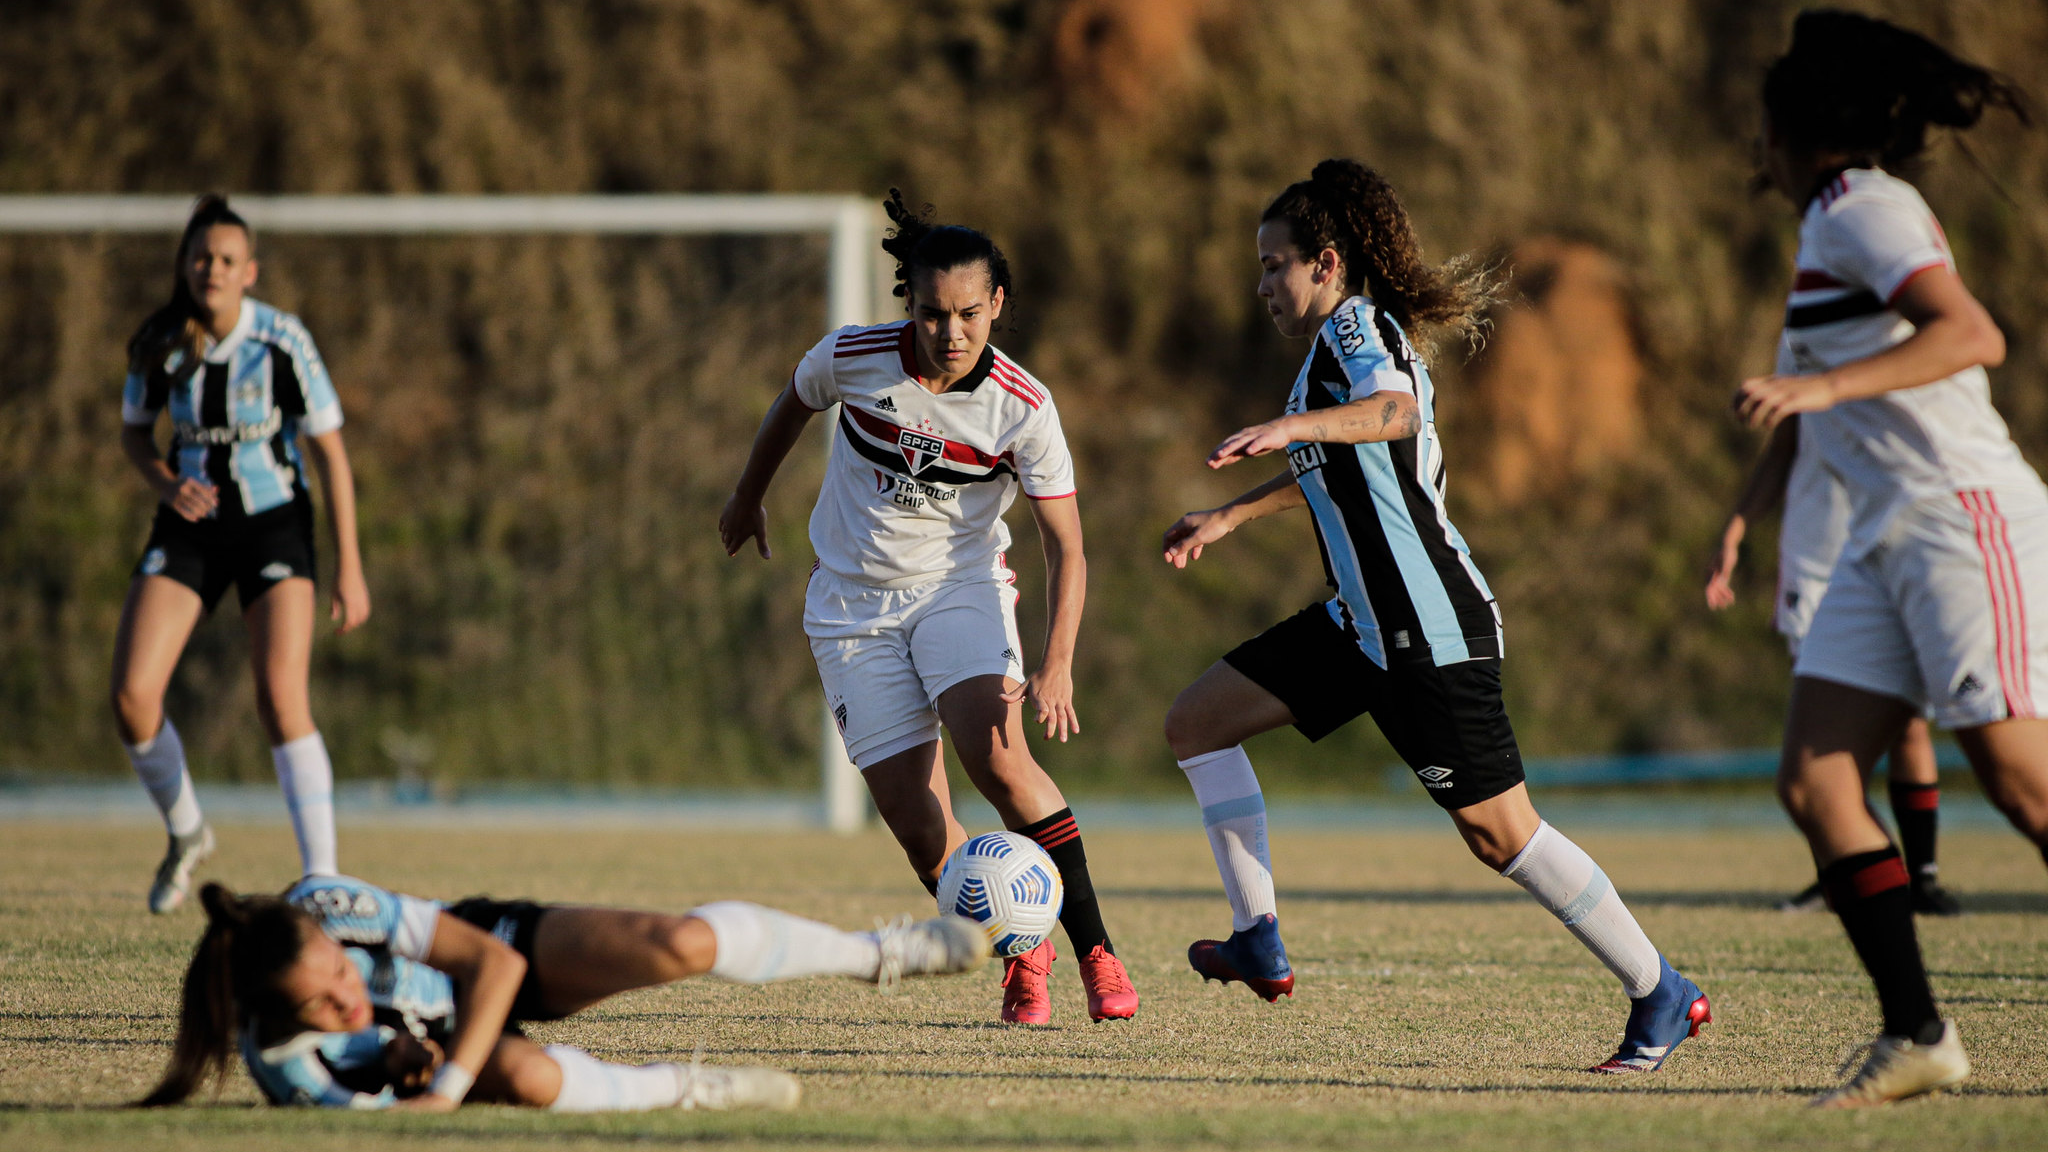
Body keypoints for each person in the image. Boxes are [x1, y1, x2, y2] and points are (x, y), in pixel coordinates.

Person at [1159, 159, 1709, 1074]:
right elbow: (1342, 473)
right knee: (1197, 722)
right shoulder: (1326, 356)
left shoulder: (1358, 329)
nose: (1261, 283)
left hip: (1428, 626)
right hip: (1359, 625)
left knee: (1502, 835)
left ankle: (1659, 990)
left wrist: (1292, 429)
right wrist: (1232, 515)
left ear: (1326, 262)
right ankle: (1257, 936)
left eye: (1273, 264)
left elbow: (1393, 415)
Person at [719, 191, 1136, 1026]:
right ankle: (1023, 950)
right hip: (849, 608)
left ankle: (1096, 951)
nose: (951, 332)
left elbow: (1068, 546)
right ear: (907, 301)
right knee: (917, 824)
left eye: (970, 314)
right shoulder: (855, 356)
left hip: (960, 590)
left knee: (997, 757)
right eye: (934, 312)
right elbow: (792, 403)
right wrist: (747, 498)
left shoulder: (1024, 407)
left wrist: (1057, 663)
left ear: (998, 306)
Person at [1733, 9, 2037, 1107]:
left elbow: (1968, 333)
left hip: (1961, 518)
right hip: (1880, 537)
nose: (1750, 145)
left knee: (2021, 786)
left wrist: (1813, 388)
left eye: (1761, 126)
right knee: (1815, 781)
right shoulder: (1825, 225)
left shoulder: (1866, 209)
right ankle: (1915, 1036)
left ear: (1803, 134)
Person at [139, 875, 988, 1111]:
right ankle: (684, 1090)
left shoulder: (329, 904)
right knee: (533, 1080)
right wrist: (422, 1081)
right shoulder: (290, 1067)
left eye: (338, 971)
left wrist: (448, 1085)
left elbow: (493, 967)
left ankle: (881, 953)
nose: (345, 1000)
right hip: (442, 1046)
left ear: (325, 936)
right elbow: (375, 1116)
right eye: (321, 1004)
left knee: (680, 942)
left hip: (491, 956)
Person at [112, 195, 371, 912]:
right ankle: (187, 830)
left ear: (249, 270)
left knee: (281, 695)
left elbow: (331, 454)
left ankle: (323, 882)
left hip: (274, 525)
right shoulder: (160, 341)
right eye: (200, 257)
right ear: (184, 266)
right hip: (190, 527)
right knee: (132, 697)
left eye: (227, 259)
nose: (212, 269)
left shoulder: (284, 342)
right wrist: (166, 484)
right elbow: (135, 433)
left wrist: (349, 564)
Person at [1706, 416, 1961, 916]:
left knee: (1909, 724)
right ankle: (1839, 871)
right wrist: (1734, 529)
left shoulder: (1899, 342)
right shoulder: (1799, 347)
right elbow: (1781, 451)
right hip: (1815, 564)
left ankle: (1922, 880)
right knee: (1822, 741)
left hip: (1891, 549)